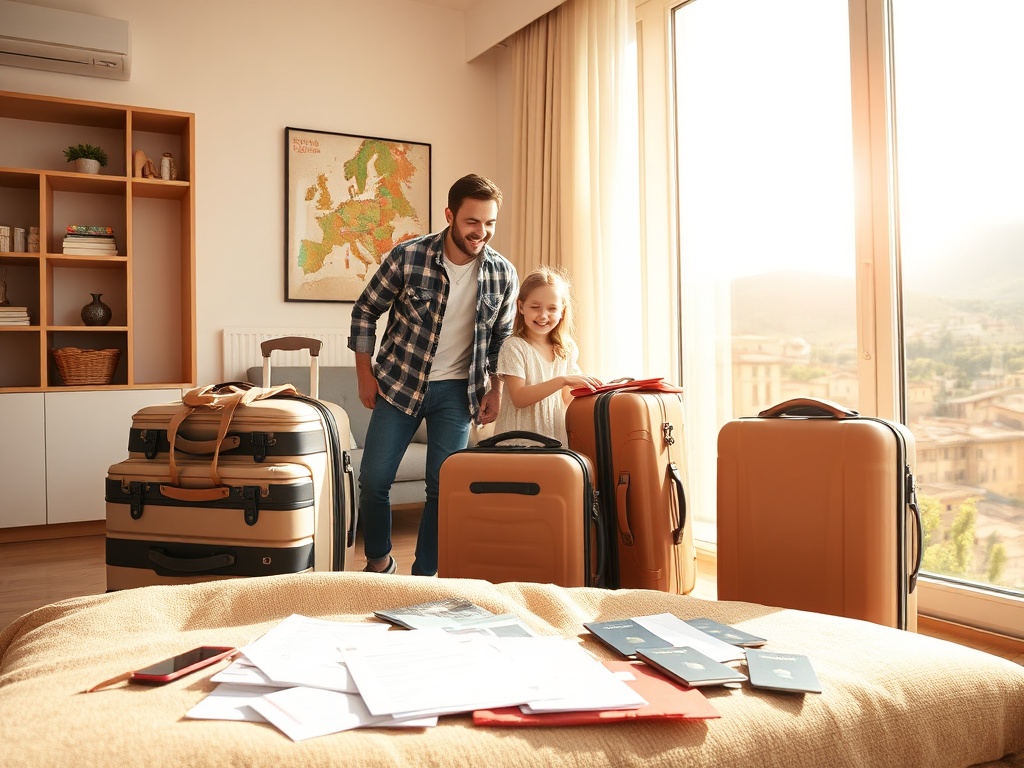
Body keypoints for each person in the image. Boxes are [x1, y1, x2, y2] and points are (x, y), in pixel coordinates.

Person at [348, 173, 519, 576]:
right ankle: (379, 561)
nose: (481, 232)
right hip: (399, 386)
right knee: (373, 481)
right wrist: (364, 374)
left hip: (458, 396)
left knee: (444, 490)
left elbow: (502, 338)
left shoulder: (502, 273)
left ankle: (423, 579)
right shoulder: (408, 257)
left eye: (490, 223)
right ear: (450, 215)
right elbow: (365, 311)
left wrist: (495, 390)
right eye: (472, 222)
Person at [492, 265, 601, 447]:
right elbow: (519, 398)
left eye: (552, 308)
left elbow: (567, 398)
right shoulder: (514, 347)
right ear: (521, 307)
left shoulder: (565, 349)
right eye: (535, 307)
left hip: (554, 442)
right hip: (517, 444)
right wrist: (563, 380)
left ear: (562, 311)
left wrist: (591, 387)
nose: (543, 315)